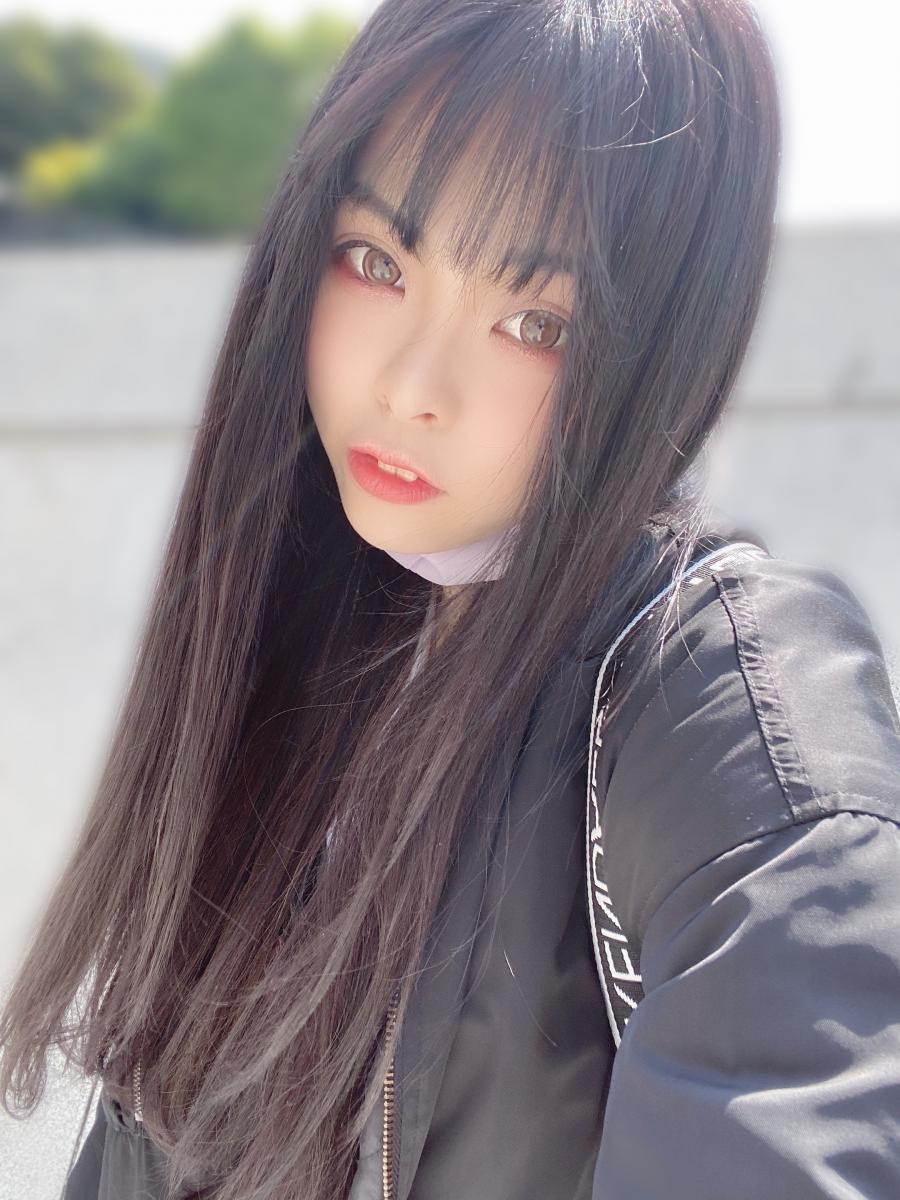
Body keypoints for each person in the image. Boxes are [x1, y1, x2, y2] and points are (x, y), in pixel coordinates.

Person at [3, 1, 899, 1197]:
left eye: (534, 323)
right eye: (378, 260)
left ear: (661, 353)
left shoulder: (723, 702)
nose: (412, 384)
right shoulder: (303, 648)